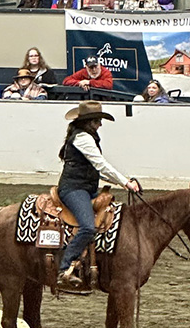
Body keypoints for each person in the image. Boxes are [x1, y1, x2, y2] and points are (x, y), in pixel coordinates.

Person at [55, 99, 140, 290]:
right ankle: (63, 267)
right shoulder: (82, 138)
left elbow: (97, 169)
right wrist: (125, 182)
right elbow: (101, 165)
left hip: (85, 188)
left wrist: (122, 181)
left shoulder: (86, 137)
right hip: (74, 189)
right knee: (87, 226)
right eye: (97, 120)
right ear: (88, 122)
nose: (100, 124)